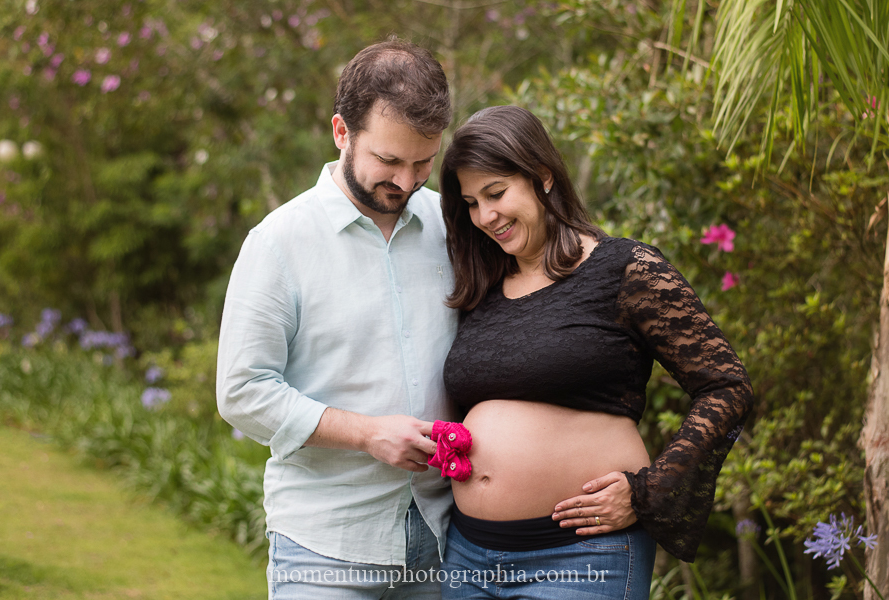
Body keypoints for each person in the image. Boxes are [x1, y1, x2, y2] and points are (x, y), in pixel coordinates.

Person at [438, 105, 754, 599]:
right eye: (472, 203)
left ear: (542, 177)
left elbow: (726, 386)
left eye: (497, 193)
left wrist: (648, 491)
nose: (486, 216)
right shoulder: (482, 287)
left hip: (581, 556)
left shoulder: (625, 269)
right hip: (467, 556)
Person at [216, 40, 458, 599]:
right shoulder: (277, 243)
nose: (406, 181)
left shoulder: (451, 226)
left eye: (424, 161)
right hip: (326, 542)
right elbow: (241, 391)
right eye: (389, 161)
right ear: (341, 133)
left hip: (445, 536)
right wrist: (368, 433)